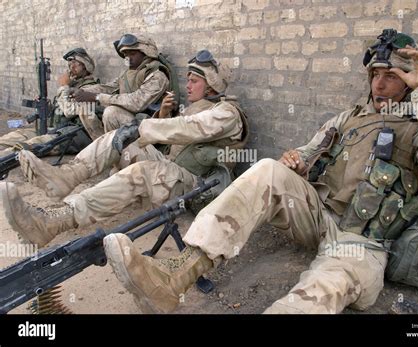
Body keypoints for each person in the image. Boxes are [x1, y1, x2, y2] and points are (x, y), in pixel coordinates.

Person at [100, 30, 418, 314]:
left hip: (364, 243)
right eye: (374, 73)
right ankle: (176, 276)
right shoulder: (350, 118)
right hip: (321, 216)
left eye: (390, 75)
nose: (378, 83)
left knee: (319, 290)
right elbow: (305, 153)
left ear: (406, 82)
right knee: (266, 170)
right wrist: (294, 162)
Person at [1, 50, 249, 250]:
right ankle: (66, 176)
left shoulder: (227, 113)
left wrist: (144, 126)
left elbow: (191, 128)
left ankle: (55, 221)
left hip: (198, 189)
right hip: (176, 171)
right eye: (188, 79)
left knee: (142, 171)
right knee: (117, 140)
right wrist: (144, 125)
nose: (188, 85)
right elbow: (174, 138)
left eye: (194, 81)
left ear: (212, 85)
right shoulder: (199, 106)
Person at [0, 48, 99, 157]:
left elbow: (69, 111)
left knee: (21, 149)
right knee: (12, 137)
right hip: (55, 130)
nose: (71, 67)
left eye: (76, 64)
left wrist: (63, 86)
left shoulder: (90, 88)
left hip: (72, 135)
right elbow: (59, 111)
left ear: (85, 66)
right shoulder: (72, 85)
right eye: (70, 64)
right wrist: (43, 105)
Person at [71, 34, 170, 140]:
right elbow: (109, 87)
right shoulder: (129, 74)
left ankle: (115, 150)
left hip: (150, 125)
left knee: (111, 112)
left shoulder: (158, 75)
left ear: (146, 52)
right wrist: (82, 91)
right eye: (126, 54)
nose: (128, 58)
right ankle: (103, 145)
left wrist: (97, 97)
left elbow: (137, 102)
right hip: (133, 121)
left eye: (132, 53)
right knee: (86, 108)